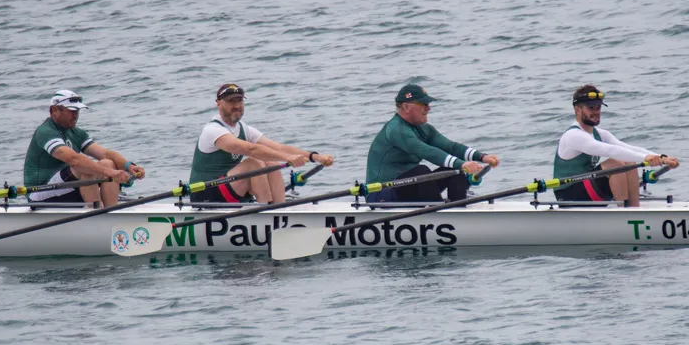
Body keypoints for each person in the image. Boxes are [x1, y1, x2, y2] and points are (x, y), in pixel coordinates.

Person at [189, 83, 334, 204]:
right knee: (254, 163)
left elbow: (278, 147)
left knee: (271, 162)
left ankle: (279, 208)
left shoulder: (244, 129)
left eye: (239, 101)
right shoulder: (213, 130)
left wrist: (315, 157)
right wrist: (288, 158)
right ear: (218, 103)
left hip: (230, 188)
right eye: (231, 101)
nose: (237, 105)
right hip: (204, 193)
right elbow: (251, 149)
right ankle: (266, 212)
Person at [364, 83, 499, 203]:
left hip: (410, 186)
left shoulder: (424, 129)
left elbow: (451, 147)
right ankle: (437, 212)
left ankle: (458, 208)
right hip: (381, 193)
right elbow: (427, 152)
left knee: (454, 171)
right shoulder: (396, 129)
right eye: (423, 104)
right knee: (422, 171)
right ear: (406, 107)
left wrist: (482, 157)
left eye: (428, 104)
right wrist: (462, 164)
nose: (428, 108)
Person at [553, 85, 678, 208]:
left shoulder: (600, 134)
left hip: (588, 189)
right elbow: (611, 150)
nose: (596, 112)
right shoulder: (573, 135)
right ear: (577, 110)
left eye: (598, 108)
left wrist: (661, 158)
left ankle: (634, 210)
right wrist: (645, 158)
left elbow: (627, 148)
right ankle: (622, 212)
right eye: (590, 108)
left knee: (629, 162)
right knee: (615, 164)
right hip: (568, 195)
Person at [23, 89, 145, 207]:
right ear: (55, 110)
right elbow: (74, 159)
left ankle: (110, 212)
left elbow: (105, 154)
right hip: (39, 192)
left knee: (107, 163)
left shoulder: (76, 133)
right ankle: (97, 213)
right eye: (71, 110)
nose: (76, 115)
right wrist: (110, 173)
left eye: (77, 110)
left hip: (66, 188)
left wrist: (128, 166)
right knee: (83, 167)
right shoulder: (45, 132)